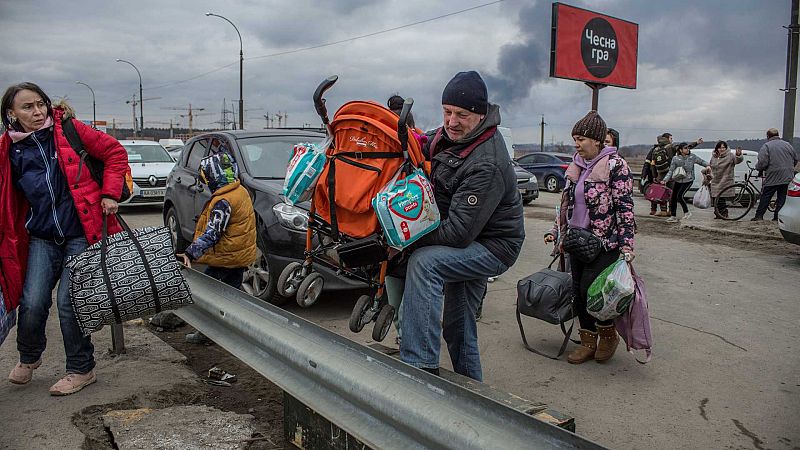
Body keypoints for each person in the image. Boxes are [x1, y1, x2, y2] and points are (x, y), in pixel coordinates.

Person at [0, 82, 130, 395]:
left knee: (68, 302)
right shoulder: (9, 148)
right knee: (31, 301)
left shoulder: (69, 130)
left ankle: (82, 369)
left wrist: (111, 194)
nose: (37, 112)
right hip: (42, 236)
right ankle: (30, 357)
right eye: (27, 107)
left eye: (40, 104)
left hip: (80, 234)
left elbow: (114, 152)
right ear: (11, 113)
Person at [399, 71, 524, 381]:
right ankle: (474, 394)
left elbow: (456, 234)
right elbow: (421, 146)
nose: (451, 121)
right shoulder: (448, 135)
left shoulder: (487, 162)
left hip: (493, 246)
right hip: (471, 237)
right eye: (447, 112)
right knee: (458, 326)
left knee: (424, 263)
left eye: (461, 115)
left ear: (480, 115)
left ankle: (420, 369)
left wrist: (406, 237)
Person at [544, 111, 635, 364]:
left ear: (596, 140)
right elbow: (565, 204)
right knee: (578, 293)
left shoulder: (616, 165)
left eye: (581, 138)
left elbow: (625, 207)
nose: (576, 143)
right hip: (576, 240)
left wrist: (627, 244)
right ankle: (587, 341)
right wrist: (558, 233)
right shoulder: (576, 166)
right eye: (575, 138)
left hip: (604, 242)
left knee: (595, 293)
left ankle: (608, 337)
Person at [177, 152, 256, 343]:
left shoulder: (223, 201)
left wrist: (190, 252)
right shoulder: (240, 191)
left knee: (208, 296)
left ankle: (206, 334)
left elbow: (213, 233)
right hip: (238, 256)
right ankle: (231, 331)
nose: (206, 182)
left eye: (207, 177)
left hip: (225, 258)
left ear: (215, 176)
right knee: (231, 296)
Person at [649, 133, 703, 216]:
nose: (672, 140)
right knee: (672, 193)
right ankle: (671, 210)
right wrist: (696, 143)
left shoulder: (656, 149)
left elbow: (653, 164)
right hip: (671, 173)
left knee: (661, 192)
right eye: (671, 138)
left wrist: (654, 175)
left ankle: (663, 210)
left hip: (660, 174)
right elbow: (685, 148)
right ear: (667, 139)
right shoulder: (671, 147)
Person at [751, 128, 798, 221]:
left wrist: (758, 168)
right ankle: (777, 217)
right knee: (782, 197)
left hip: (773, 175)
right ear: (777, 135)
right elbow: (795, 159)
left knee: (766, 195)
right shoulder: (787, 145)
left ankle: (759, 216)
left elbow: (762, 162)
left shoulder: (766, 146)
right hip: (787, 175)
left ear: (768, 136)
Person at [661, 142, 708, 222]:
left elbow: (701, 162)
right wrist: (665, 179)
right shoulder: (675, 158)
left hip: (688, 180)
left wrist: (708, 165)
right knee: (673, 198)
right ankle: (673, 216)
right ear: (680, 150)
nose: (688, 149)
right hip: (678, 180)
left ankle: (687, 213)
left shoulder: (692, 157)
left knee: (680, 196)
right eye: (685, 148)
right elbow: (671, 170)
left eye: (688, 148)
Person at [704, 141, 743, 219]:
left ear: (726, 148)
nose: (721, 149)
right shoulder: (714, 156)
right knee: (715, 198)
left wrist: (738, 155)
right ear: (717, 148)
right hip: (715, 180)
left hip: (725, 179)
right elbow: (711, 165)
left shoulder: (730, 156)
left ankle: (723, 214)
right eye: (720, 147)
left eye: (723, 147)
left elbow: (737, 160)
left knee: (720, 198)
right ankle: (718, 214)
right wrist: (707, 170)